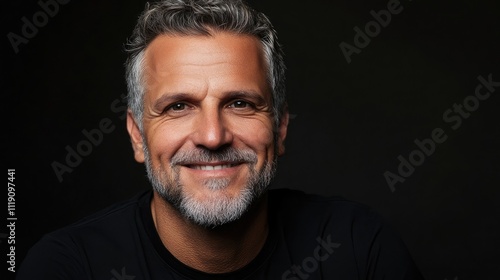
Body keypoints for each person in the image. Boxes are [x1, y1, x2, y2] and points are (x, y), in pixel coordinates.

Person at [17, 0, 425, 279]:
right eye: (178, 106)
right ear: (138, 135)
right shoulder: (68, 267)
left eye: (241, 103)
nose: (213, 136)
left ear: (280, 128)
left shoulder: (359, 249)